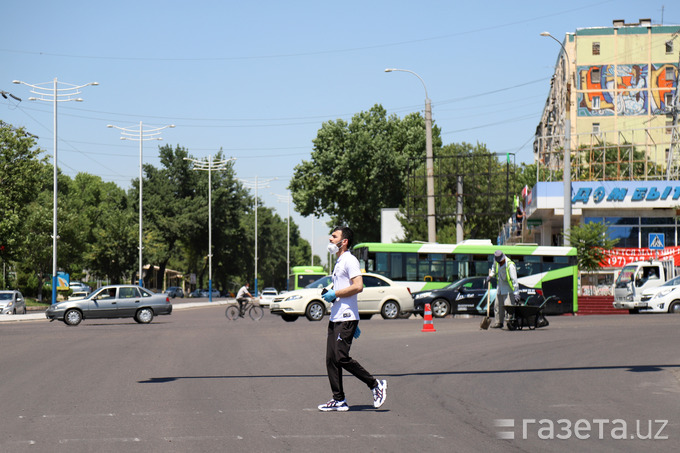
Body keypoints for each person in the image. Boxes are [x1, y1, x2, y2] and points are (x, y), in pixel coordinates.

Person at [318, 226, 387, 412]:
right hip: (337, 317)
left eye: (334, 236)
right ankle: (338, 399)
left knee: (340, 357)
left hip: (346, 317)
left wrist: (336, 293)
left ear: (344, 241)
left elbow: (358, 286)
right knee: (331, 359)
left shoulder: (350, 260)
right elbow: (343, 286)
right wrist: (331, 291)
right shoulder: (339, 261)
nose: (331, 239)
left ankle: (375, 385)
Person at [488, 250, 519, 329]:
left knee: (508, 307)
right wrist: (490, 275)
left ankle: (509, 323)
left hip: (508, 289)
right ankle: (498, 322)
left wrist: (516, 293)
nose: (499, 263)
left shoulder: (510, 265)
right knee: (497, 306)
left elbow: (514, 280)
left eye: (500, 261)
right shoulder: (496, 261)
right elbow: (494, 269)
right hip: (500, 288)